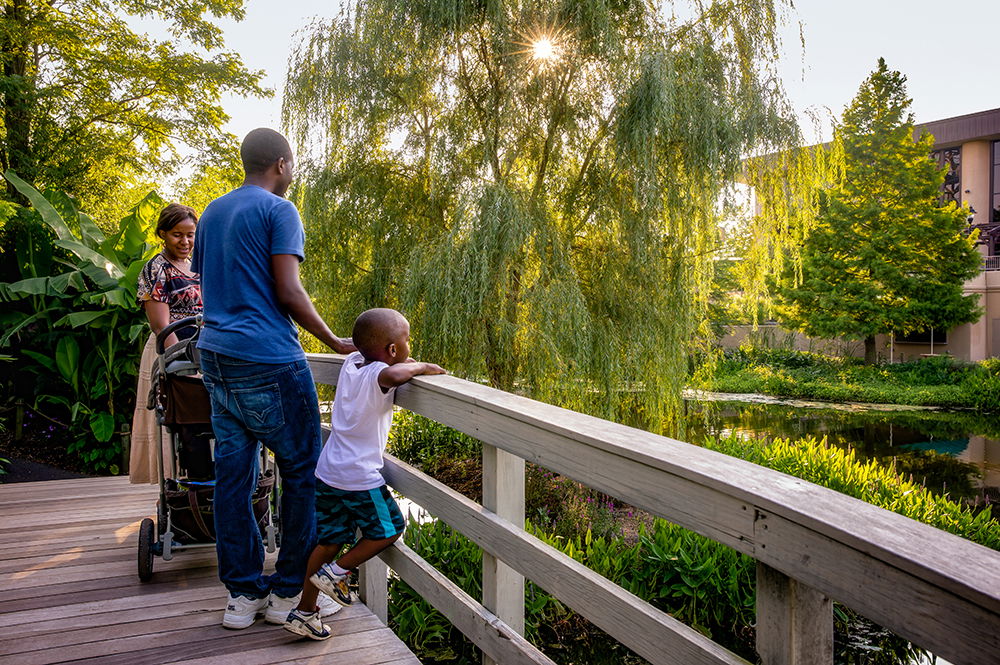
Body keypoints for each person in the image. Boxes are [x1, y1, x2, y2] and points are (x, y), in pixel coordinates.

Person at [192, 128, 356, 630]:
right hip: (268, 359)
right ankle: (288, 593)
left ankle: (242, 597)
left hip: (216, 357)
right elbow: (288, 290)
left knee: (233, 479)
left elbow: (210, 285)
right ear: (282, 164)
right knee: (303, 475)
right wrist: (335, 342)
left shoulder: (213, 212)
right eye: (293, 166)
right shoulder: (280, 211)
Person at [284, 308, 446, 640]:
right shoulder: (380, 375)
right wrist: (424, 366)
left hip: (328, 471)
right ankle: (338, 572)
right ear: (391, 351)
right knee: (390, 528)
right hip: (358, 476)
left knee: (328, 540)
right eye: (406, 341)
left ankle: (304, 611)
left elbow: (377, 360)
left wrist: (397, 357)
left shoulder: (352, 363)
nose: (408, 346)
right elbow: (397, 375)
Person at [129, 203, 201, 484]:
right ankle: (176, 486)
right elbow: (161, 325)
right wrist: (182, 364)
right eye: (177, 235)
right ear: (163, 234)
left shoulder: (198, 265)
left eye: (190, 234)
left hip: (201, 349)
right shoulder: (156, 269)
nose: (185, 241)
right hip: (172, 349)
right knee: (178, 416)